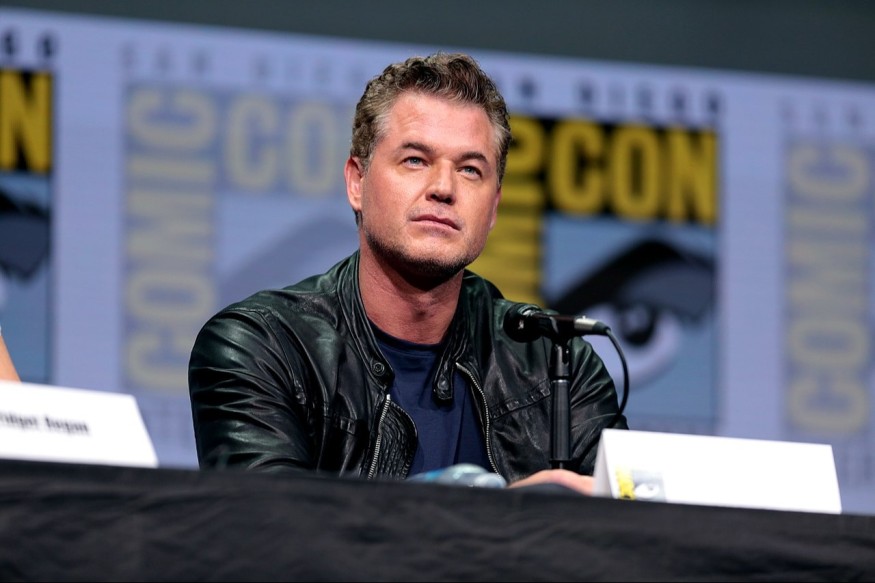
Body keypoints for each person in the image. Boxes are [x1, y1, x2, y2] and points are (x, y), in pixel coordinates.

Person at [188, 52, 627, 494]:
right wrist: (506, 513)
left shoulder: (557, 365)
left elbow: (635, 523)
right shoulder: (261, 348)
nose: (443, 188)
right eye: (416, 160)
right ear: (357, 182)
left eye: (470, 170)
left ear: (493, 208)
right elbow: (270, 523)